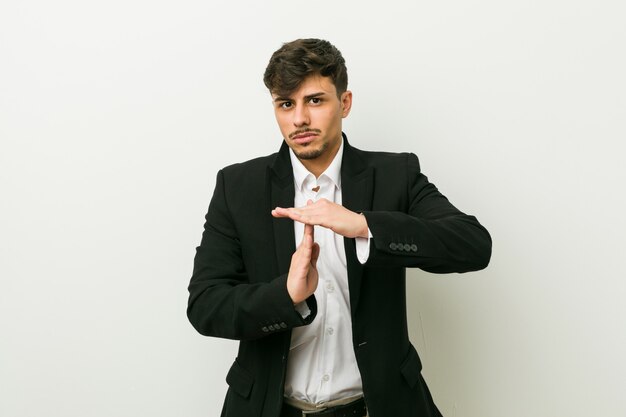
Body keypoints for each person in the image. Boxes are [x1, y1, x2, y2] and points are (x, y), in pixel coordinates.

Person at [187, 38, 492, 417]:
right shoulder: (238, 187)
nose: (299, 118)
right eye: (286, 104)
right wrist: (286, 295)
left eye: (314, 100)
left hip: (380, 408)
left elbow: (473, 244)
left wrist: (365, 226)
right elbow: (204, 305)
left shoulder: (395, 175)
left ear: (344, 103)